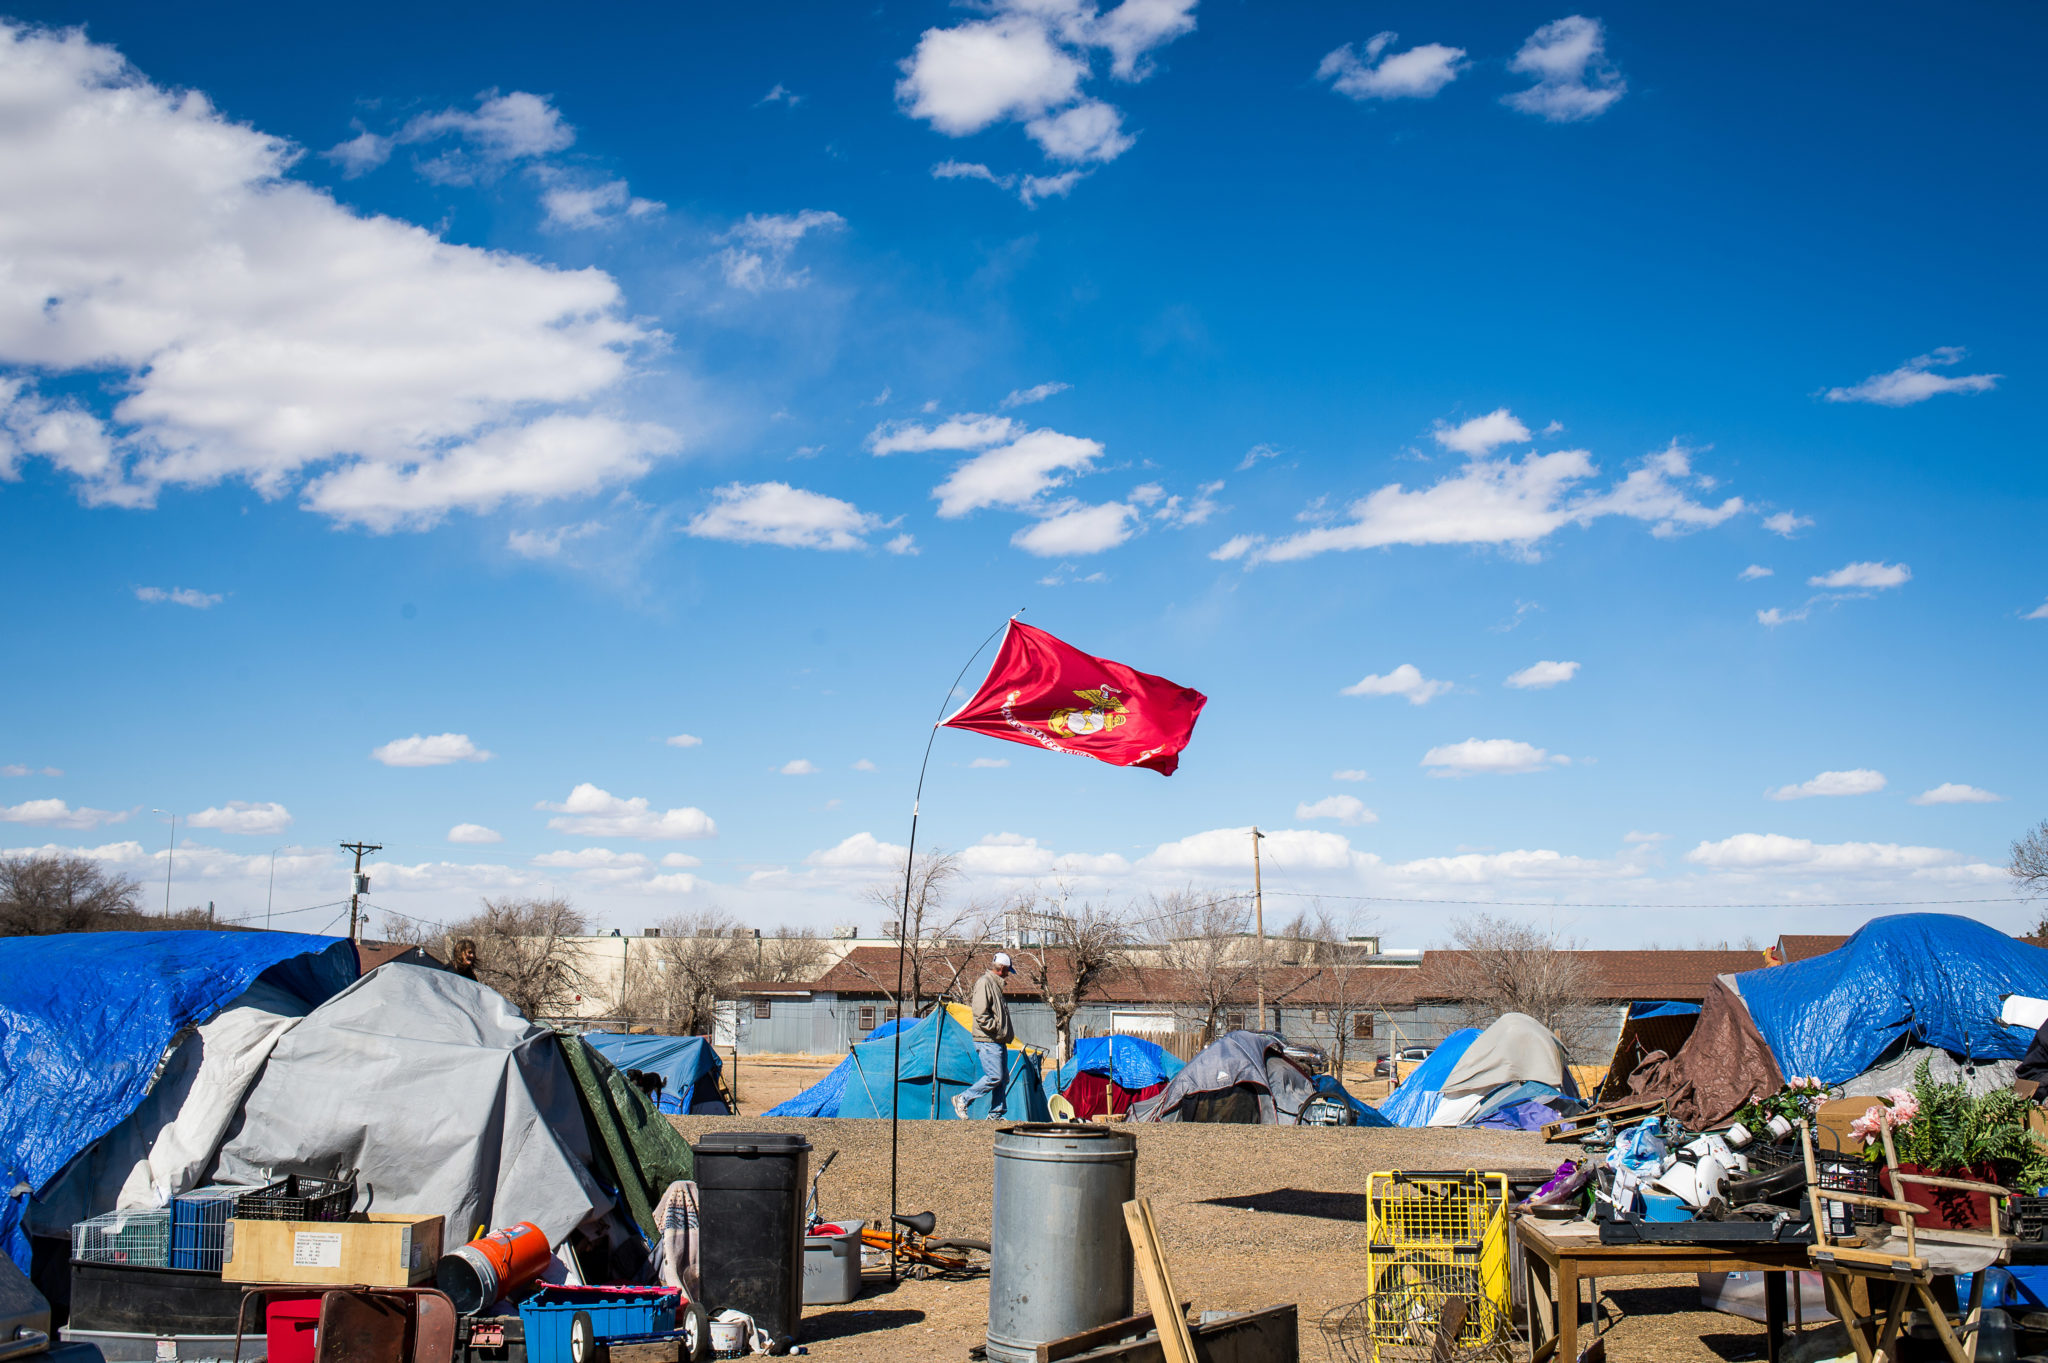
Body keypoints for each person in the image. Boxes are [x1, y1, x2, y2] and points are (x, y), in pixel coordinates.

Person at [954, 951, 1015, 1120]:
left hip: (997, 1039)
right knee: (995, 1076)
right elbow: (980, 1014)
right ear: (1002, 968)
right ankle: (963, 1098)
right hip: (988, 1039)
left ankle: (995, 1115)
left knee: (1002, 1079)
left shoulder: (995, 985)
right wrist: (997, 1029)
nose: (1009, 974)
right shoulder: (985, 983)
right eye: (1008, 970)